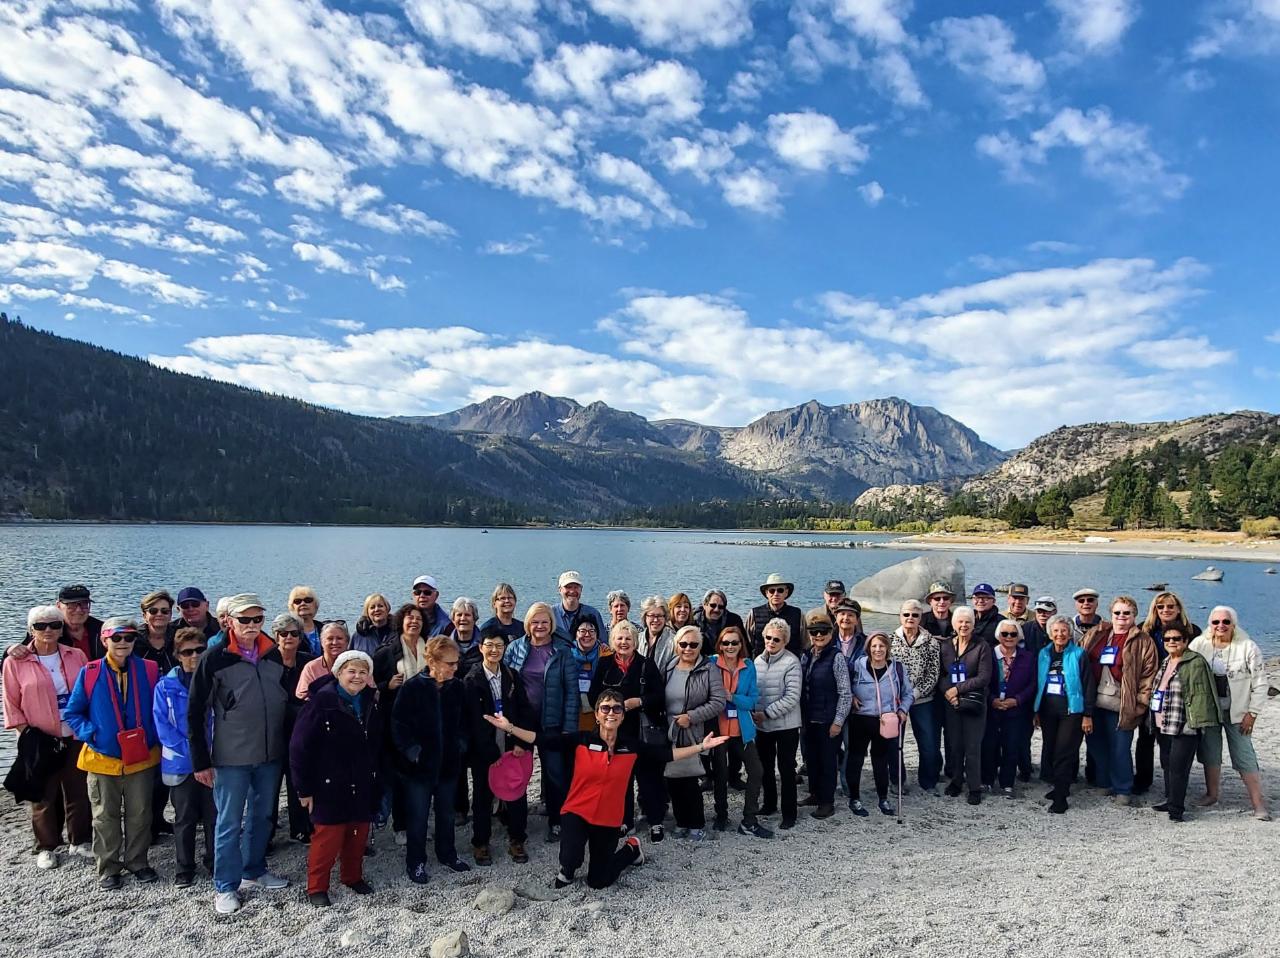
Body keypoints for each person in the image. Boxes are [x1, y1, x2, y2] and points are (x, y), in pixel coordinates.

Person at [483, 690, 727, 890]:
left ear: (622, 715)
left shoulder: (631, 746)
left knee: (598, 881)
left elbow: (666, 754)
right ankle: (567, 869)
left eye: (617, 708)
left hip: (609, 818)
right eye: (605, 708)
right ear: (597, 715)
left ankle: (632, 849)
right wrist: (510, 728)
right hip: (577, 811)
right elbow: (542, 739)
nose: (611, 712)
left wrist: (700, 747)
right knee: (570, 860)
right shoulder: (581, 740)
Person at [187, 593, 291, 915]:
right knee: (229, 823)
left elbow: (284, 700)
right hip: (230, 757)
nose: (251, 625)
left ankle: (254, 870)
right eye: (244, 619)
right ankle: (225, 886)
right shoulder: (214, 658)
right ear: (229, 621)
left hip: (270, 754)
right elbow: (195, 713)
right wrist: (200, 761)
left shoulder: (274, 654)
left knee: (262, 817)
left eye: (257, 619)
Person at [63, 617, 161, 889]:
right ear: (105, 640)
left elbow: (160, 708)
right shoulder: (90, 671)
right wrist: (91, 733)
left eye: (128, 638)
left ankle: (138, 862)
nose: (122, 643)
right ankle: (108, 867)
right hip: (102, 758)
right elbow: (73, 712)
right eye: (116, 638)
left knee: (140, 813)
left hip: (141, 755)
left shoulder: (150, 670)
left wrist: (153, 736)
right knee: (104, 815)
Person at [3, 605, 91, 870]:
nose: (48, 630)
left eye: (54, 625)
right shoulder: (15, 662)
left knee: (78, 791)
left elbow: (89, 690)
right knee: (42, 795)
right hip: (40, 736)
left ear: (62, 627)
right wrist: (25, 735)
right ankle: (47, 846)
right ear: (31, 630)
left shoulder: (76, 655)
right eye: (41, 626)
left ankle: (80, 840)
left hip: (74, 733)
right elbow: (10, 701)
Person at [290, 650, 380, 906]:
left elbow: (376, 742)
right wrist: (303, 789)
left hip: (361, 779)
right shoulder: (321, 702)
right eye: (351, 671)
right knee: (327, 838)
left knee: (357, 832)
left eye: (363, 672)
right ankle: (317, 886)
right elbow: (299, 747)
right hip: (328, 782)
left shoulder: (370, 701)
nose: (357, 676)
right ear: (339, 673)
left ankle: (352, 876)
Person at [392, 636, 470, 882]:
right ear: (433, 661)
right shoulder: (412, 687)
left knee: (447, 814)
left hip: (448, 766)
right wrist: (413, 753)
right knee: (418, 818)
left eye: (456, 663)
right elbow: (398, 725)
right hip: (419, 769)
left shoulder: (458, 687)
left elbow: (466, 722)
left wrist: (460, 744)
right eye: (450, 663)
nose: (455, 668)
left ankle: (447, 854)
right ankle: (415, 862)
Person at [502, 601, 579, 842]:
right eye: (535, 622)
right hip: (522, 721)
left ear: (551, 624)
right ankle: (515, 823)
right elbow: (505, 686)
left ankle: (558, 820)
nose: (540, 626)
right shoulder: (515, 648)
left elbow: (572, 692)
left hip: (552, 721)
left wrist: (569, 727)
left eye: (545, 622)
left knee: (555, 772)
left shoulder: (562, 651)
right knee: (517, 771)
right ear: (527, 624)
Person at [588, 621, 667, 841]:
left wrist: (639, 701)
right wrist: (608, 708)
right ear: (613, 641)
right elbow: (594, 695)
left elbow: (659, 697)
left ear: (635, 642)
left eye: (628, 639)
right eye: (619, 638)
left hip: (641, 729)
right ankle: (625, 820)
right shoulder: (604, 664)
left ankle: (655, 821)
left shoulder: (646, 664)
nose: (624, 643)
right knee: (620, 778)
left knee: (648, 776)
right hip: (615, 730)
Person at [1190, 607, 1271, 820]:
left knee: (1244, 754)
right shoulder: (1200, 644)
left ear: (1233, 624)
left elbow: (1261, 683)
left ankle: (1257, 802)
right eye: (1215, 622)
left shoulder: (1247, 647)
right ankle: (1212, 794)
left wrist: (1252, 713)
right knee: (1210, 752)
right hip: (1210, 710)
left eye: (1226, 622)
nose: (1220, 626)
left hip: (1238, 711)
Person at [462, 630, 534, 866]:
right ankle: (481, 843)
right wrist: (488, 751)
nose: (494, 650)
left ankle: (517, 839)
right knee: (482, 796)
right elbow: (471, 719)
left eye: (499, 646)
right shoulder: (471, 679)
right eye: (489, 645)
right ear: (481, 647)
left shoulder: (512, 676)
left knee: (516, 793)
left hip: (511, 743)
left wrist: (522, 743)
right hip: (485, 749)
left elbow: (524, 710)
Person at [1081, 595, 1158, 806]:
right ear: (1111, 614)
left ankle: (1123, 787)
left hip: (1123, 704)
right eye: (1118, 612)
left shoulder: (1143, 641)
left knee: (1120, 748)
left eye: (1127, 613)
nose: (1122, 617)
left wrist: (1140, 704)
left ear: (1134, 615)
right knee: (1096, 744)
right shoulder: (1097, 633)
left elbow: (1148, 675)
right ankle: (1104, 782)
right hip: (1094, 701)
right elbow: (1081, 657)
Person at [153, 627, 215, 886]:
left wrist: (210, 753)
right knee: (185, 818)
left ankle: (214, 861)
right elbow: (162, 726)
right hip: (181, 762)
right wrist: (193, 752)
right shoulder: (165, 687)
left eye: (200, 650)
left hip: (213, 760)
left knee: (214, 816)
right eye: (187, 652)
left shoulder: (214, 681)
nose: (194, 656)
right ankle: (184, 868)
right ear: (178, 655)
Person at [1149, 627, 1220, 822]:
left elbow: (1203, 694)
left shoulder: (1195, 662)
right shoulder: (1165, 661)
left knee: (1179, 767)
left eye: (1177, 638)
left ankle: (1176, 809)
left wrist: (1197, 722)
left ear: (1186, 640)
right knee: (1167, 764)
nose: (1172, 642)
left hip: (1185, 723)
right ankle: (1170, 799)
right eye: (1168, 638)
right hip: (1163, 722)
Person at [660, 625, 726, 839]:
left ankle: (696, 823)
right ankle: (681, 821)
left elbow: (718, 702)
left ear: (700, 646)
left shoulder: (709, 669)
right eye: (683, 644)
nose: (688, 648)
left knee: (690, 779)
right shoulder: (670, 666)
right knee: (673, 778)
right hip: (671, 731)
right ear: (677, 645)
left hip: (693, 731)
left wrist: (692, 717)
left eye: (693, 644)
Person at [1135, 591, 1202, 795]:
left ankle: (1173, 785)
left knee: (1175, 739)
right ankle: (1143, 779)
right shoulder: (1143, 630)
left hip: (1179, 691)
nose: (1166, 610)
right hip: (1151, 689)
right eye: (1161, 607)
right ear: (1154, 609)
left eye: (1170, 606)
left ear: (1178, 608)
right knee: (1145, 737)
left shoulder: (1193, 631)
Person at [708, 625, 771, 838]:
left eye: (735, 642)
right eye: (726, 642)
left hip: (742, 729)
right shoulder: (711, 663)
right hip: (717, 729)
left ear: (741, 644)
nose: (730, 646)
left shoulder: (749, 666)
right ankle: (721, 815)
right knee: (720, 774)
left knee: (756, 771)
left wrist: (732, 697)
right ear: (720, 645)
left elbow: (753, 700)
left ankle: (749, 819)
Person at [373, 603, 428, 843]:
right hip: (396, 722)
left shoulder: (429, 647)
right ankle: (401, 826)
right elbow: (371, 685)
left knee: (421, 773)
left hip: (424, 720)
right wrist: (388, 686)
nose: (414, 622)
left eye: (418, 618)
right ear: (400, 622)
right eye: (409, 618)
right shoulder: (387, 651)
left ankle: (420, 822)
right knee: (400, 775)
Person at [846, 632, 913, 816]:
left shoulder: (897, 668)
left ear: (887, 648)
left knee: (880, 760)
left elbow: (908, 693)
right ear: (868, 648)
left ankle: (883, 798)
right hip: (860, 718)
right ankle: (854, 798)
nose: (878, 650)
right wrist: (851, 697)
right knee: (856, 758)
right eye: (874, 646)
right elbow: (845, 686)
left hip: (886, 720)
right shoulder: (857, 666)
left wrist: (902, 710)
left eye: (882, 646)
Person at [1034, 615, 1096, 814]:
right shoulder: (1043, 653)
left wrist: (1087, 714)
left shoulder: (1079, 654)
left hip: (1072, 711)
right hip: (1048, 710)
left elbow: (1088, 685)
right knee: (1050, 749)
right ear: (1050, 633)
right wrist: (1035, 710)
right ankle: (1059, 787)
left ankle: (1061, 798)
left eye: (1064, 630)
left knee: (1065, 752)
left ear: (1070, 633)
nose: (1060, 634)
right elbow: (1039, 683)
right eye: (1056, 631)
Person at [263, 613, 314, 845]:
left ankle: (300, 829)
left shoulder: (308, 662)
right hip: (271, 733)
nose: (289, 637)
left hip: (299, 732)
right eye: (283, 634)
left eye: (294, 633)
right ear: (275, 636)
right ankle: (267, 834)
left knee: (298, 782)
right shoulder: (265, 663)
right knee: (269, 788)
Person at [799, 611, 851, 819]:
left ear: (831, 632)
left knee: (828, 761)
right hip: (808, 718)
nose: (818, 635)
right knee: (811, 759)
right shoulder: (807, 655)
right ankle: (814, 794)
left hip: (828, 719)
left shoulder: (837, 657)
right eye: (814, 632)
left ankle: (827, 802)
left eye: (822, 631)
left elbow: (845, 692)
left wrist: (838, 722)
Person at [938, 606, 992, 805]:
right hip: (951, 703)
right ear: (954, 624)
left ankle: (974, 787)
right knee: (955, 745)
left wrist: (958, 690)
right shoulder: (946, 646)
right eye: (960, 621)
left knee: (972, 747)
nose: (964, 625)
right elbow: (942, 674)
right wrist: (948, 693)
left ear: (973, 624)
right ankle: (956, 780)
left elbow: (984, 677)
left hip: (974, 703)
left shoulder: (982, 646)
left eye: (968, 622)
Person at [752, 619, 802, 829]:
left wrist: (767, 713)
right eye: (768, 637)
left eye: (777, 639)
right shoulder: (757, 661)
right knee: (765, 767)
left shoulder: (792, 662)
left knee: (787, 770)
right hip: (763, 726)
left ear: (785, 641)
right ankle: (769, 804)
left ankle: (789, 814)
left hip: (786, 727)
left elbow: (792, 697)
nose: (771, 642)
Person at [890, 599, 941, 794]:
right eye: (906, 614)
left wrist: (914, 694)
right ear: (900, 616)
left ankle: (928, 781)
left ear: (921, 617)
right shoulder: (890, 640)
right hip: (895, 700)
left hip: (922, 699)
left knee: (928, 742)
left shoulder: (931, 642)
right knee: (895, 742)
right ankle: (898, 781)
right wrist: (896, 694)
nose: (910, 618)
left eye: (915, 615)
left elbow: (933, 674)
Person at [981, 621, 1036, 798]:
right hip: (992, 708)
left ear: (1019, 636)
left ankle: (1007, 782)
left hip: (1016, 709)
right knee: (989, 745)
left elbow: (1033, 684)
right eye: (1005, 634)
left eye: (1013, 634)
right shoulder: (988, 654)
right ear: (998, 636)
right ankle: (987, 780)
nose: (1009, 637)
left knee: (1012, 746)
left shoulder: (1027, 657)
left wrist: (1017, 700)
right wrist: (991, 699)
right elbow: (982, 680)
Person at [745, 574, 805, 657]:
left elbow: (805, 644)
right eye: (772, 591)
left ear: (786, 592)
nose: (776, 594)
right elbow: (746, 642)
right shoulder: (754, 613)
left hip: (790, 665)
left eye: (780, 590)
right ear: (766, 593)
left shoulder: (798, 614)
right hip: (760, 664)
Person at [570, 619, 613, 731]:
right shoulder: (566, 655)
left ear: (597, 634)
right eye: (582, 631)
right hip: (571, 713)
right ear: (575, 634)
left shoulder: (606, 654)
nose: (587, 635)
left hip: (598, 715)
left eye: (591, 631)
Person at [297, 620, 350, 700]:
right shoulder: (311, 667)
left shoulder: (359, 665)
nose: (335, 642)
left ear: (347, 642)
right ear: (322, 642)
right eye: (330, 639)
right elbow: (302, 696)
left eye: (339, 638)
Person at [552, 570, 605, 643]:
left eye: (576, 587)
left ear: (581, 589)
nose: (572, 591)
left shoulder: (593, 614)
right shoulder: (551, 614)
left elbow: (603, 643)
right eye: (568, 587)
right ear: (560, 590)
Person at [694, 589, 745, 658]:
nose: (716, 610)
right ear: (704, 605)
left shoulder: (734, 621)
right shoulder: (693, 621)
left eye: (721, 607)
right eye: (713, 605)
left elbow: (744, 645)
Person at [138, 590, 178, 674]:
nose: (159, 614)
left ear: (170, 615)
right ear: (144, 616)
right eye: (153, 611)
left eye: (165, 611)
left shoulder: (179, 637)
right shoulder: (133, 640)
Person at [447, 596, 484, 678]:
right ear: (453, 619)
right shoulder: (446, 646)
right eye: (459, 615)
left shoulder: (484, 644)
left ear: (475, 619)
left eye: (467, 615)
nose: (463, 618)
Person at [288, 586, 324, 656]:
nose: (303, 604)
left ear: (315, 605)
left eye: (308, 600)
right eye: (297, 601)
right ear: (292, 607)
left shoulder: (324, 629)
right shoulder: (287, 632)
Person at [639, 595, 674, 665]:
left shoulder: (673, 641)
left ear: (665, 618)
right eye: (652, 615)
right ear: (645, 617)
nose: (655, 620)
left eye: (659, 616)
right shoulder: (637, 638)